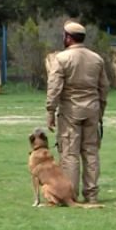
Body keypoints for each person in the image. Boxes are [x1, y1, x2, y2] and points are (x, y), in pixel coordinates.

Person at [46, 21, 110, 204]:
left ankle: (70, 195)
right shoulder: (96, 58)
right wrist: (100, 111)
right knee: (91, 153)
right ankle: (92, 195)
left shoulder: (62, 59)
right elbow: (104, 87)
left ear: (68, 37)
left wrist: (50, 110)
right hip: (92, 110)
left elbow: (54, 87)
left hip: (70, 111)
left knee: (70, 154)